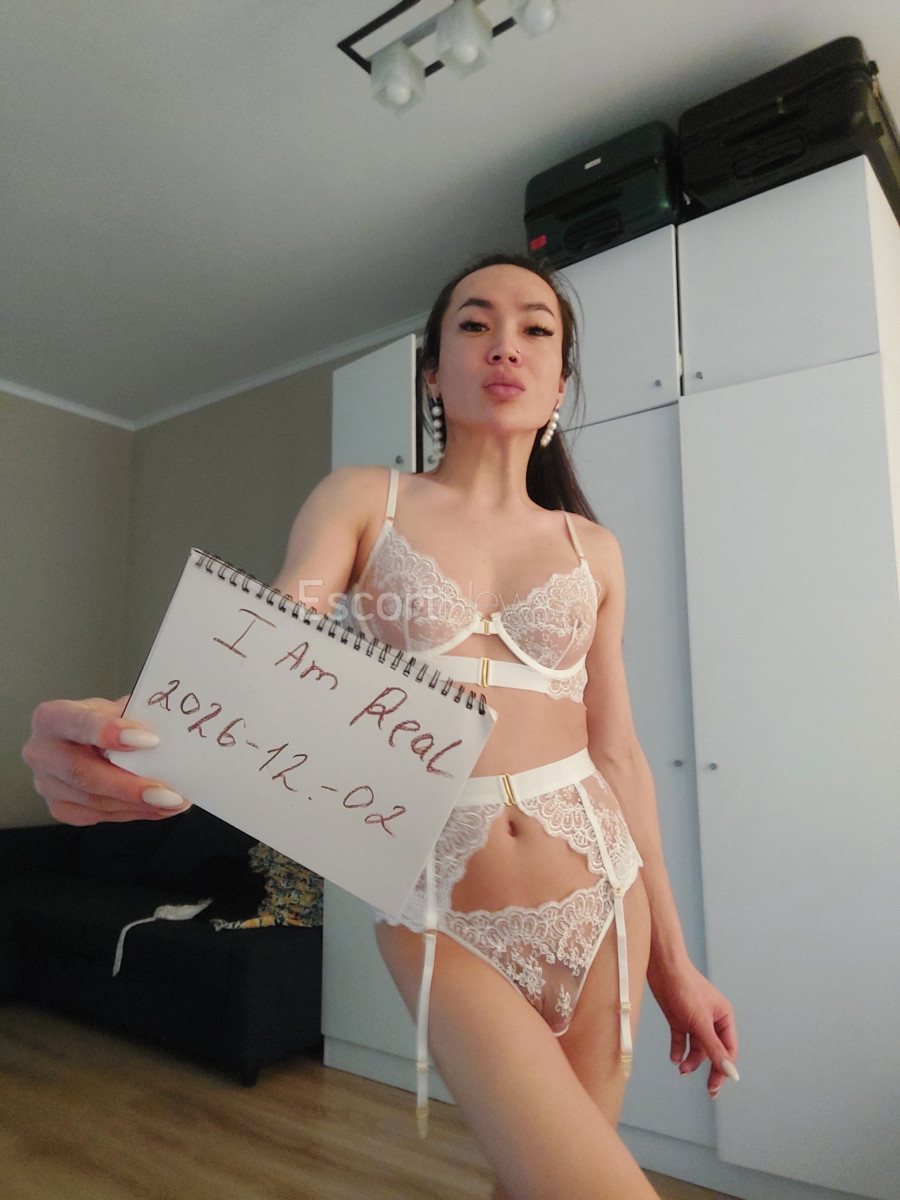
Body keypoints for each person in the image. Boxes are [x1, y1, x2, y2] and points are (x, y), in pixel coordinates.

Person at [23, 253, 737, 1200]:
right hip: (440, 906)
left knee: (538, 1180)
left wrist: (675, 962)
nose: (506, 345)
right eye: (474, 324)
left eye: (536, 329)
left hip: (605, 893)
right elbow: (274, 640)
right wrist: (135, 728)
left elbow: (620, 753)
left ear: (560, 381)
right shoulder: (367, 500)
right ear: (433, 372)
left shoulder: (593, 549)